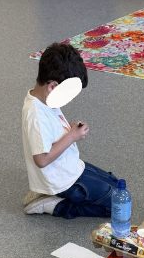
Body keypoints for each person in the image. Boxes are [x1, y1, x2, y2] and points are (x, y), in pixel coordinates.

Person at [21, 42, 119, 217]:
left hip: (70, 167)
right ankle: (53, 204)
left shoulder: (45, 99)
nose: (70, 100)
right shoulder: (36, 115)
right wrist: (72, 136)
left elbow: (49, 131)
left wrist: (68, 129)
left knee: (116, 184)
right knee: (117, 205)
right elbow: (41, 160)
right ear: (53, 86)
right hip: (62, 179)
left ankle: (46, 192)